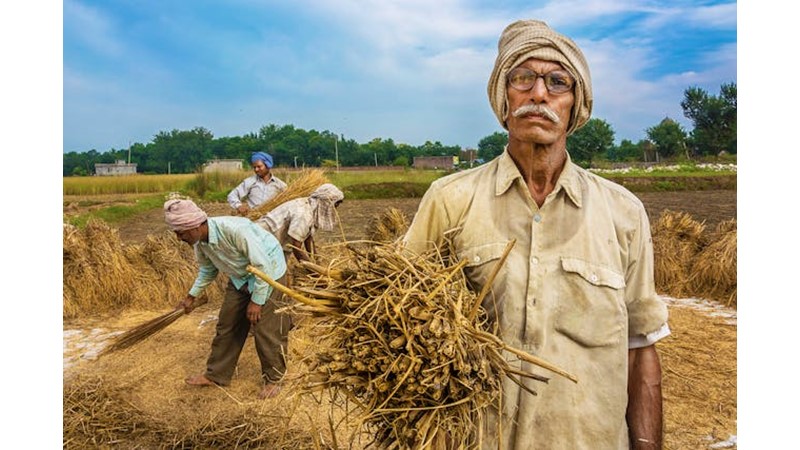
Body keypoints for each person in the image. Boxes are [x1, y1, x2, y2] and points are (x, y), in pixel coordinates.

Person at [402, 19, 669, 450]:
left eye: (557, 82)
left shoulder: (622, 213)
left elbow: (640, 348)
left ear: (575, 105)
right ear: (503, 99)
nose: (538, 94)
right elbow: (399, 327)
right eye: (522, 78)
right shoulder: (449, 201)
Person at [164, 198, 292, 399]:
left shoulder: (235, 231)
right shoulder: (201, 242)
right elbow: (207, 269)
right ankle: (216, 375)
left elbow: (262, 266)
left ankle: (274, 378)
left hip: (270, 273)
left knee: (266, 329)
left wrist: (257, 302)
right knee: (227, 324)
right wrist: (191, 297)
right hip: (240, 277)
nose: (179, 237)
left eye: (180, 232)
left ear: (195, 226)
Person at [255, 183, 344, 264]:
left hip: (272, 243)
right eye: (335, 205)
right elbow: (296, 248)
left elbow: (307, 237)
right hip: (259, 240)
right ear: (325, 203)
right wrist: (314, 271)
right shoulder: (303, 214)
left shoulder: (310, 206)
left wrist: (316, 259)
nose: (335, 210)